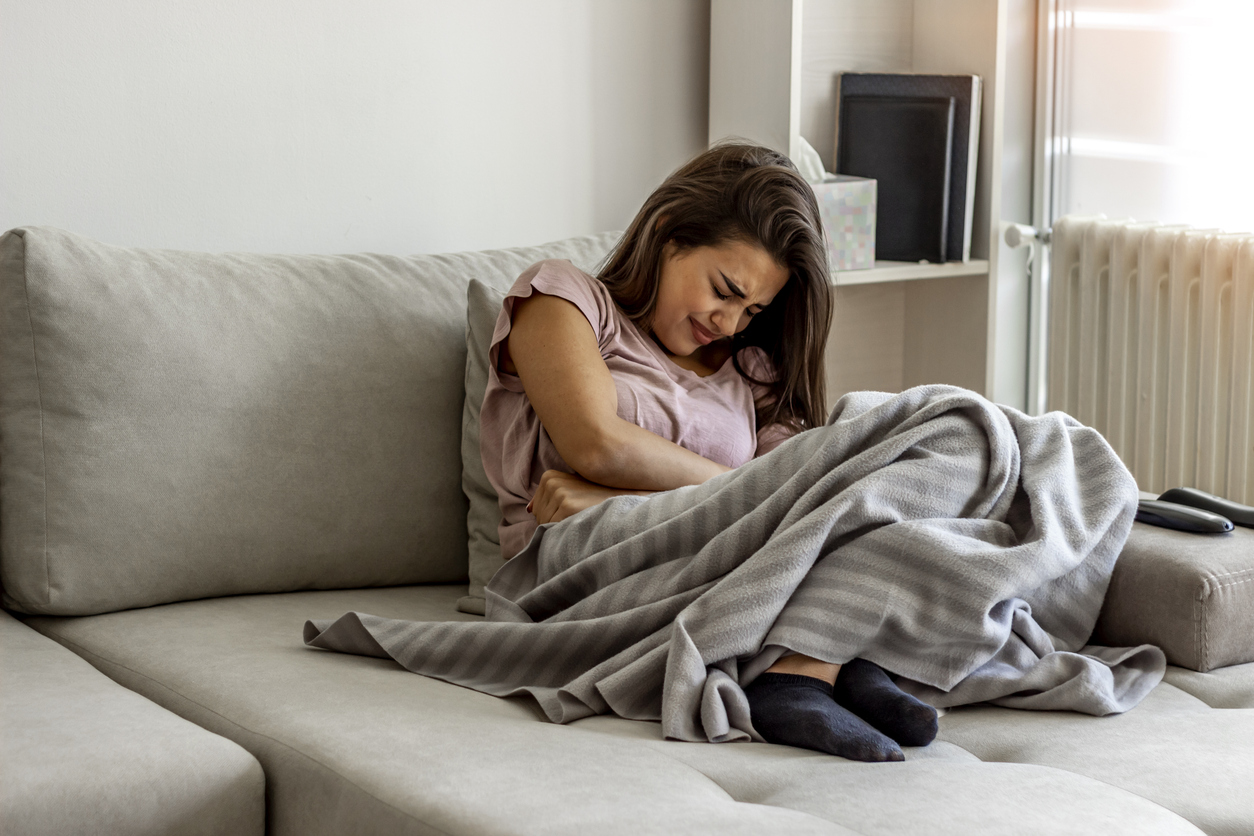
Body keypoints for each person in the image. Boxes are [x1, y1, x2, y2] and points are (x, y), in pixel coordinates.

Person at [478, 142, 938, 762]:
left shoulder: (751, 367)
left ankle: (817, 664)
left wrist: (627, 496)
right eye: (725, 290)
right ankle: (813, 663)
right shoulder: (564, 300)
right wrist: (733, 493)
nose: (728, 322)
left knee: (933, 443)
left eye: (752, 310)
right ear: (669, 232)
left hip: (715, 554)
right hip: (577, 570)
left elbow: (806, 496)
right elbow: (597, 444)